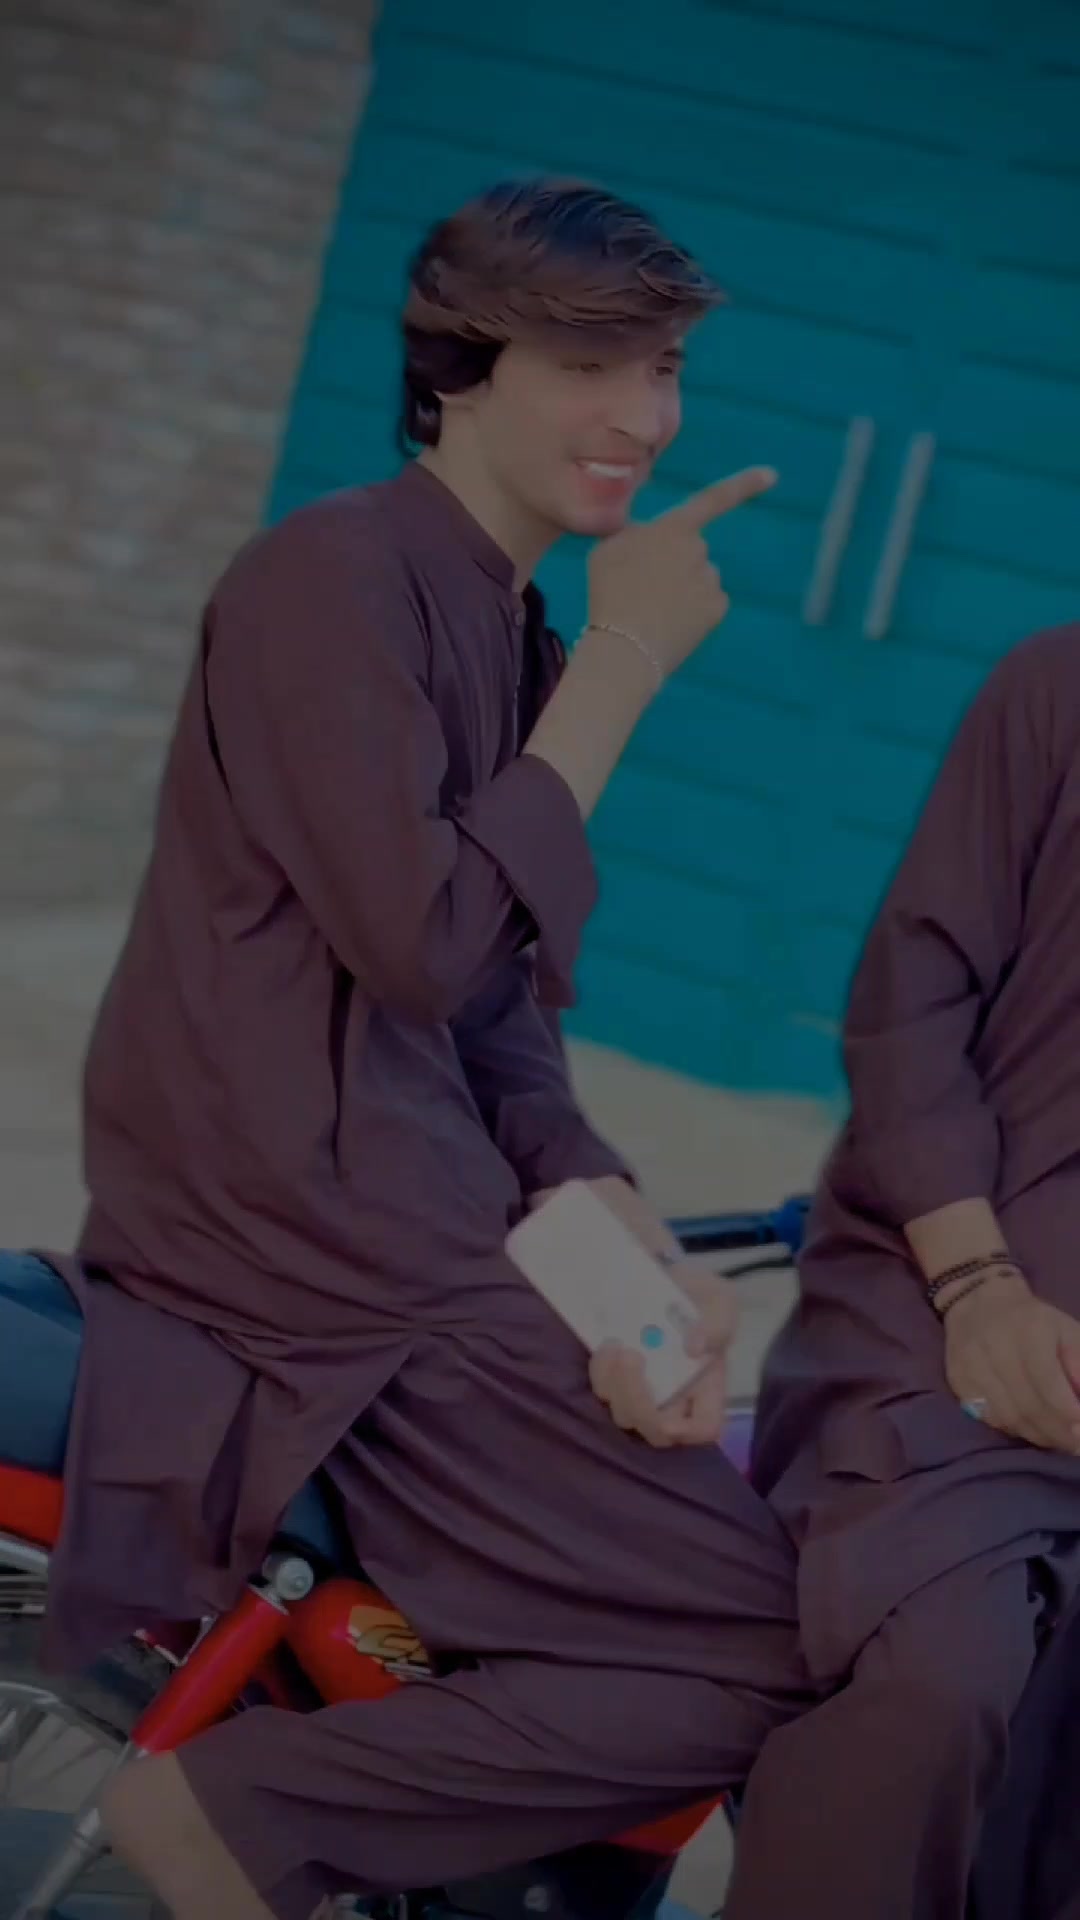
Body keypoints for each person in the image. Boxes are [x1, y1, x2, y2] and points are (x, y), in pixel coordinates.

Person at [38, 178, 815, 1920]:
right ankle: (234, 1817)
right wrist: (624, 662)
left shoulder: (498, 617)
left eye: (666, 368)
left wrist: (606, 1221)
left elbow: (491, 1008)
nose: (645, 416)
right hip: (305, 1235)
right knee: (768, 1635)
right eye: (588, 364)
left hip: (410, 1209)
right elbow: (424, 941)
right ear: (459, 369)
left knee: (767, 1576)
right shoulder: (329, 583)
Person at [727, 622, 1080, 1920]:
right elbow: (909, 1004)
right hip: (945, 1313)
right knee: (936, 1683)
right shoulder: (1059, 689)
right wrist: (980, 1289)